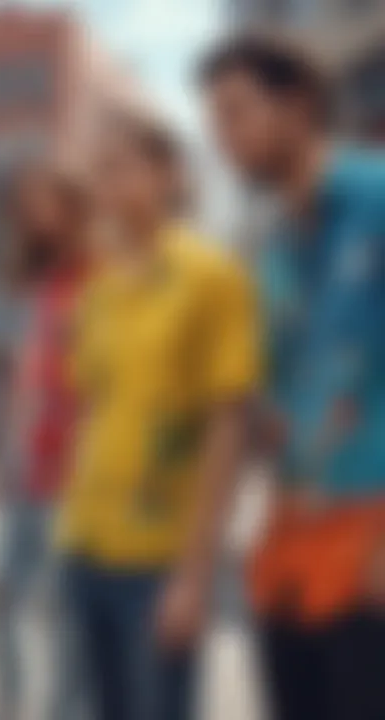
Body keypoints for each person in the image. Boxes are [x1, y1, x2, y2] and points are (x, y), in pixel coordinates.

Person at [199, 35, 385, 720]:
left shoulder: (378, 196)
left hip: (371, 550)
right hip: (286, 548)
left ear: (300, 105)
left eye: (236, 112)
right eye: (214, 119)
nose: (221, 137)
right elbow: (261, 405)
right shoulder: (267, 245)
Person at [58, 117, 260, 720]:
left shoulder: (212, 276)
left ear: (169, 174)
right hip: (87, 546)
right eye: (98, 171)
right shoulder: (100, 286)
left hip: (161, 562)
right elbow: (94, 409)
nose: (106, 185)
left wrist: (196, 577)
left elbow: (228, 428)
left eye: (121, 166)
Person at [0, 164, 91, 720]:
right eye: (23, 203)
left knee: (66, 617)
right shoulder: (28, 281)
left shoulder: (97, 274)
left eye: (40, 200)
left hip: (77, 475)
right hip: (25, 470)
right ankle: (10, 699)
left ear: (71, 207)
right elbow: (13, 375)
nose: (28, 213)